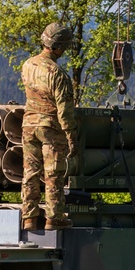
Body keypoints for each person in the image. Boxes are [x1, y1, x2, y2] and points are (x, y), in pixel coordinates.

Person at [20, 23, 79, 231]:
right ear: (60, 47)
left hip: (28, 124)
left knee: (30, 173)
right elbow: (64, 110)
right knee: (53, 173)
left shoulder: (27, 65)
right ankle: (54, 218)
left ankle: (29, 217)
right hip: (50, 127)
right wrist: (71, 136)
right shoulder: (58, 74)